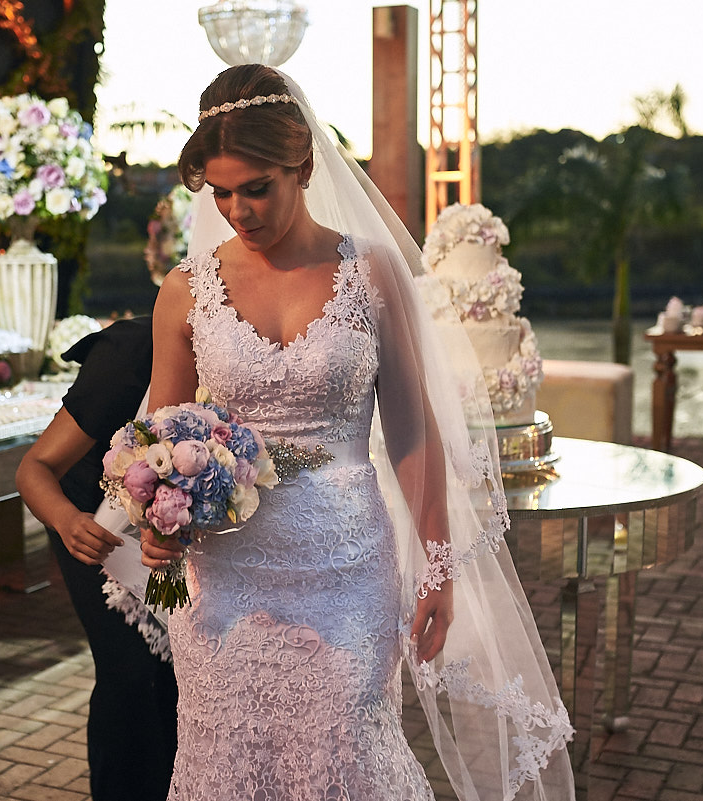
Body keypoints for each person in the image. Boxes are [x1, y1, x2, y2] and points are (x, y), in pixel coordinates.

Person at [139, 64, 577, 800]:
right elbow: (163, 438)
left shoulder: (370, 272)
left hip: (348, 573)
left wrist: (437, 563)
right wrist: (157, 523)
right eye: (221, 192)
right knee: (229, 763)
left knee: (348, 755)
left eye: (257, 187)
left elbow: (412, 428)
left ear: (303, 166)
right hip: (226, 579)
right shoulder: (184, 291)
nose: (239, 209)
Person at [15, 316, 178, 801]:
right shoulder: (130, 354)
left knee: (179, 673)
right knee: (131, 672)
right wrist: (67, 521)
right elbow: (34, 469)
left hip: (170, 521)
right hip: (91, 525)